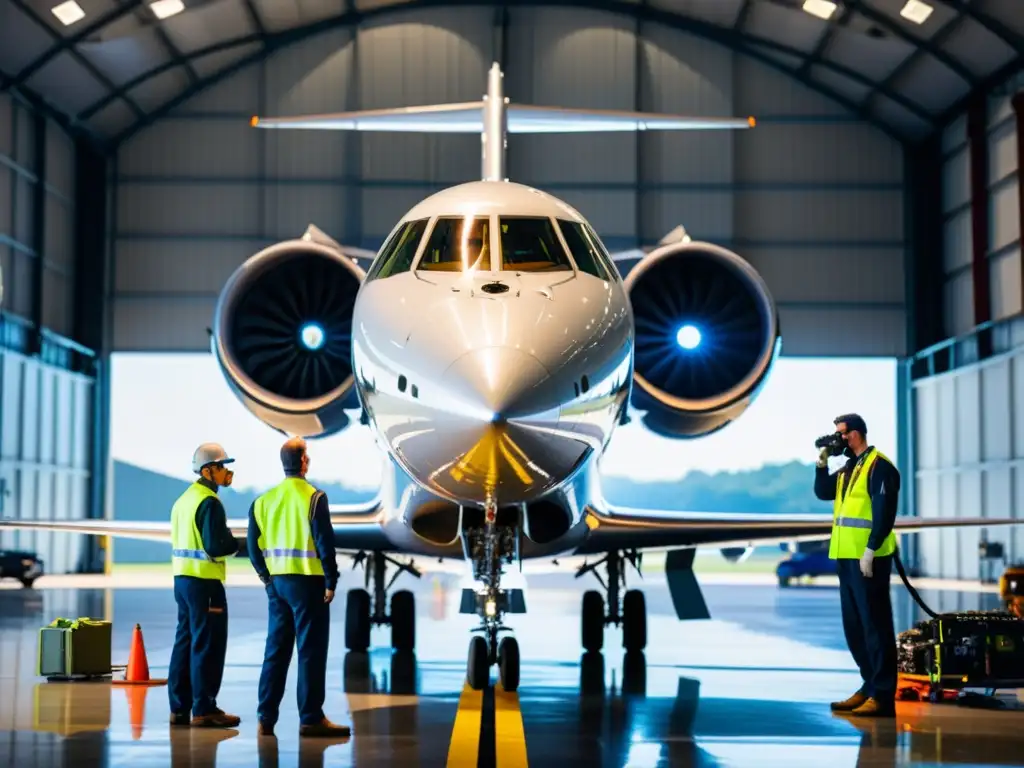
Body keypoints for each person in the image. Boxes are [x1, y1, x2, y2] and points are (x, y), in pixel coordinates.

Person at [248, 437, 350, 738]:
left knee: (276, 651)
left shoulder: (263, 501)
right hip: (308, 585)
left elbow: (253, 547)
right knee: (310, 652)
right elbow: (324, 543)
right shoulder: (315, 498)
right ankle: (310, 718)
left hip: (278, 586)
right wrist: (331, 581)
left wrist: (267, 580)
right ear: (303, 462)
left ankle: (266, 717)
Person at [814, 413, 901, 718]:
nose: (838, 438)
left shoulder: (879, 466)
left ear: (855, 434)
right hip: (846, 557)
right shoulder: (849, 468)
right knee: (855, 628)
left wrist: (871, 548)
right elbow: (823, 492)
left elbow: (884, 511)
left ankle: (883, 695)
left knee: (876, 627)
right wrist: (822, 463)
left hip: (869, 559)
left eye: (841, 434)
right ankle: (869, 686)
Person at [168, 443, 242, 728]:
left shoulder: (184, 500)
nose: (227, 472)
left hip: (183, 581)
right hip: (205, 585)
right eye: (223, 466)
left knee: (184, 642)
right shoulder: (209, 502)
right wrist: (235, 543)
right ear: (209, 470)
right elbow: (215, 545)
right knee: (207, 645)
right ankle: (205, 708)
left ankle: (179, 707)